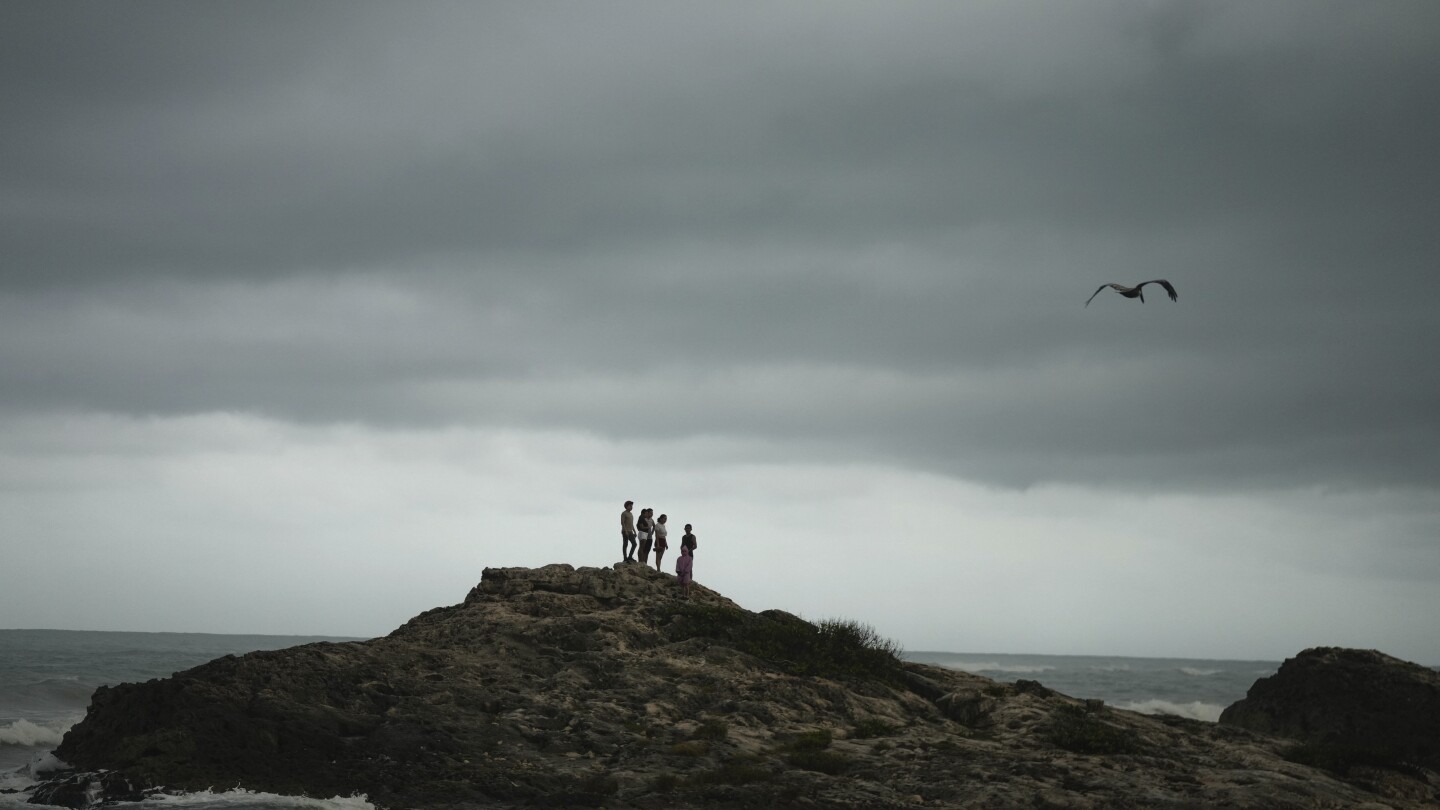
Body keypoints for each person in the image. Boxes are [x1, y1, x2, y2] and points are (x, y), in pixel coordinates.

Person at [676, 523, 697, 597]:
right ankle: (683, 579)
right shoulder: (683, 537)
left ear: (691, 529)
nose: (687, 529)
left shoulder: (692, 536)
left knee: (689, 568)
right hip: (683, 553)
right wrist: (682, 550)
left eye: (689, 528)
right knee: (682, 566)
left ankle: (689, 580)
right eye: (686, 528)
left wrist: (689, 550)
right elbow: (682, 544)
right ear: (684, 529)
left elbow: (695, 546)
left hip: (690, 553)